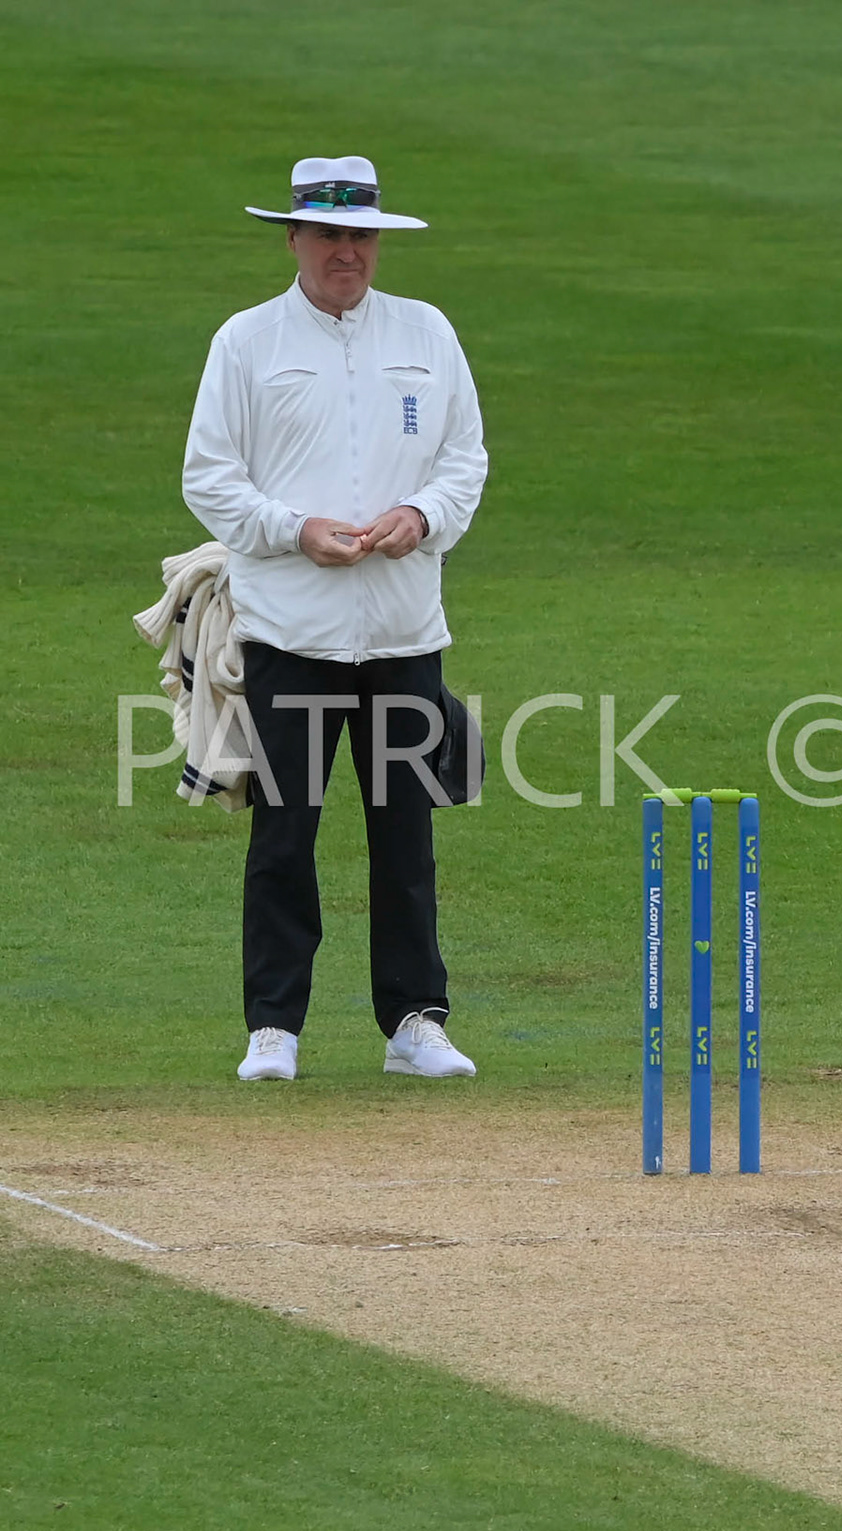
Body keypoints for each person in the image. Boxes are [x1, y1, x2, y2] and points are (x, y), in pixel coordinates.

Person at [182, 155, 488, 1082]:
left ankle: (414, 1024)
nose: (347, 252)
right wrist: (293, 530)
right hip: (291, 635)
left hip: (402, 635)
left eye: (361, 236)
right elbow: (210, 478)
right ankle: (273, 1029)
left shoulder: (427, 335)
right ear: (296, 238)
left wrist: (421, 517)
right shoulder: (248, 341)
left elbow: (464, 461)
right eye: (329, 235)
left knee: (406, 837)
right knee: (285, 836)